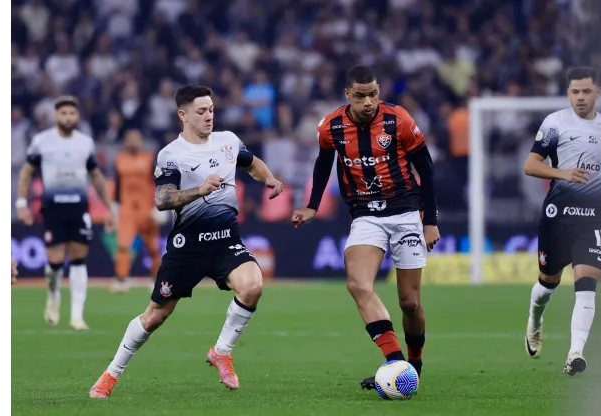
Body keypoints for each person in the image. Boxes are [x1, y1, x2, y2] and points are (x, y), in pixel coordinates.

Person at [89, 85, 284, 398]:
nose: (209, 116)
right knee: (155, 316)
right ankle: (110, 376)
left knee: (253, 286)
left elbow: (252, 163)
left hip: (225, 241)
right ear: (183, 115)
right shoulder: (171, 154)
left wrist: (269, 178)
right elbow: (163, 199)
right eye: (201, 111)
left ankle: (222, 351)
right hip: (187, 248)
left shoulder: (228, 141)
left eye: (211, 110)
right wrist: (199, 190)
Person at [291, 66, 440, 390]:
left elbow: (425, 169)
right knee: (359, 285)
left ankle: (414, 363)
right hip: (365, 216)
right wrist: (313, 206)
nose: (369, 101)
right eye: (361, 96)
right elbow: (322, 164)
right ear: (348, 95)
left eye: (373, 94)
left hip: (405, 214)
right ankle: (395, 362)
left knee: (410, 303)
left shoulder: (398, 119)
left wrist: (430, 221)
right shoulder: (330, 126)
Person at [522, 67, 601, 375]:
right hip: (558, 217)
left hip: (594, 219)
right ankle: (534, 320)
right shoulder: (555, 123)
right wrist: (562, 173)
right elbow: (530, 165)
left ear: (597, 93)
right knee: (547, 284)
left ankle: (575, 353)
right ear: (568, 93)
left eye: (586, 91)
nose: (580, 97)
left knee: (587, 285)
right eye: (575, 91)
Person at [16, 95, 117, 330]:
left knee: (80, 257)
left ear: (77, 116)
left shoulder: (85, 142)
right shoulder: (42, 141)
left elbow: (96, 176)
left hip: (79, 206)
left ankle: (76, 316)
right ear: (56, 116)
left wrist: (110, 207)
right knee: (55, 261)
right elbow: (26, 173)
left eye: (72, 113)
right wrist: (22, 202)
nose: (68, 117)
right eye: (63, 113)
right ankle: (53, 296)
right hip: (53, 207)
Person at [111, 129, 163, 293]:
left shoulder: (149, 159)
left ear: (140, 141)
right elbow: (117, 186)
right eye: (130, 139)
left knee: (153, 247)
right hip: (127, 209)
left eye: (136, 139)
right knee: (123, 245)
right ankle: (122, 279)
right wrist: (114, 207)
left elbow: (160, 181)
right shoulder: (120, 159)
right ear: (125, 141)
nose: (133, 142)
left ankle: (156, 279)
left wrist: (159, 206)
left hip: (146, 208)